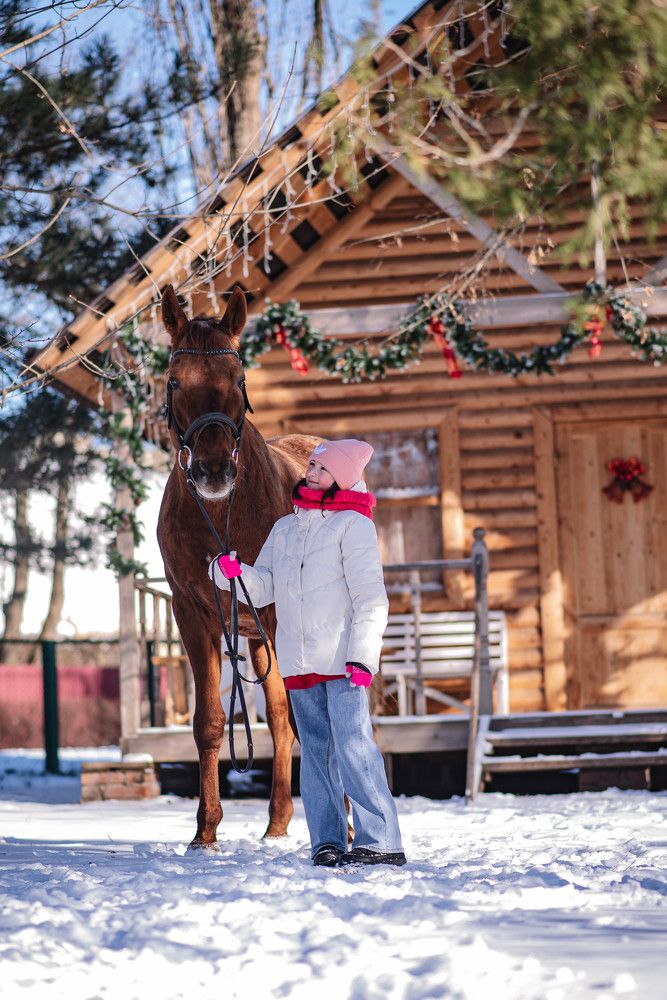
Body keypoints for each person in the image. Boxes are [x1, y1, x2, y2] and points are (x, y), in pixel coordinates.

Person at [209, 438, 406, 868]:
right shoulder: (285, 529)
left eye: (321, 467)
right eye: (311, 465)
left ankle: (381, 839)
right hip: (298, 664)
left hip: (343, 662)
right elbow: (263, 587)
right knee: (315, 756)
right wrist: (232, 572)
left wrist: (362, 657)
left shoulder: (353, 526)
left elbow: (371, 599)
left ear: (343, 479)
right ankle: (328, 841)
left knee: (355, 748)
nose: (310, 471)